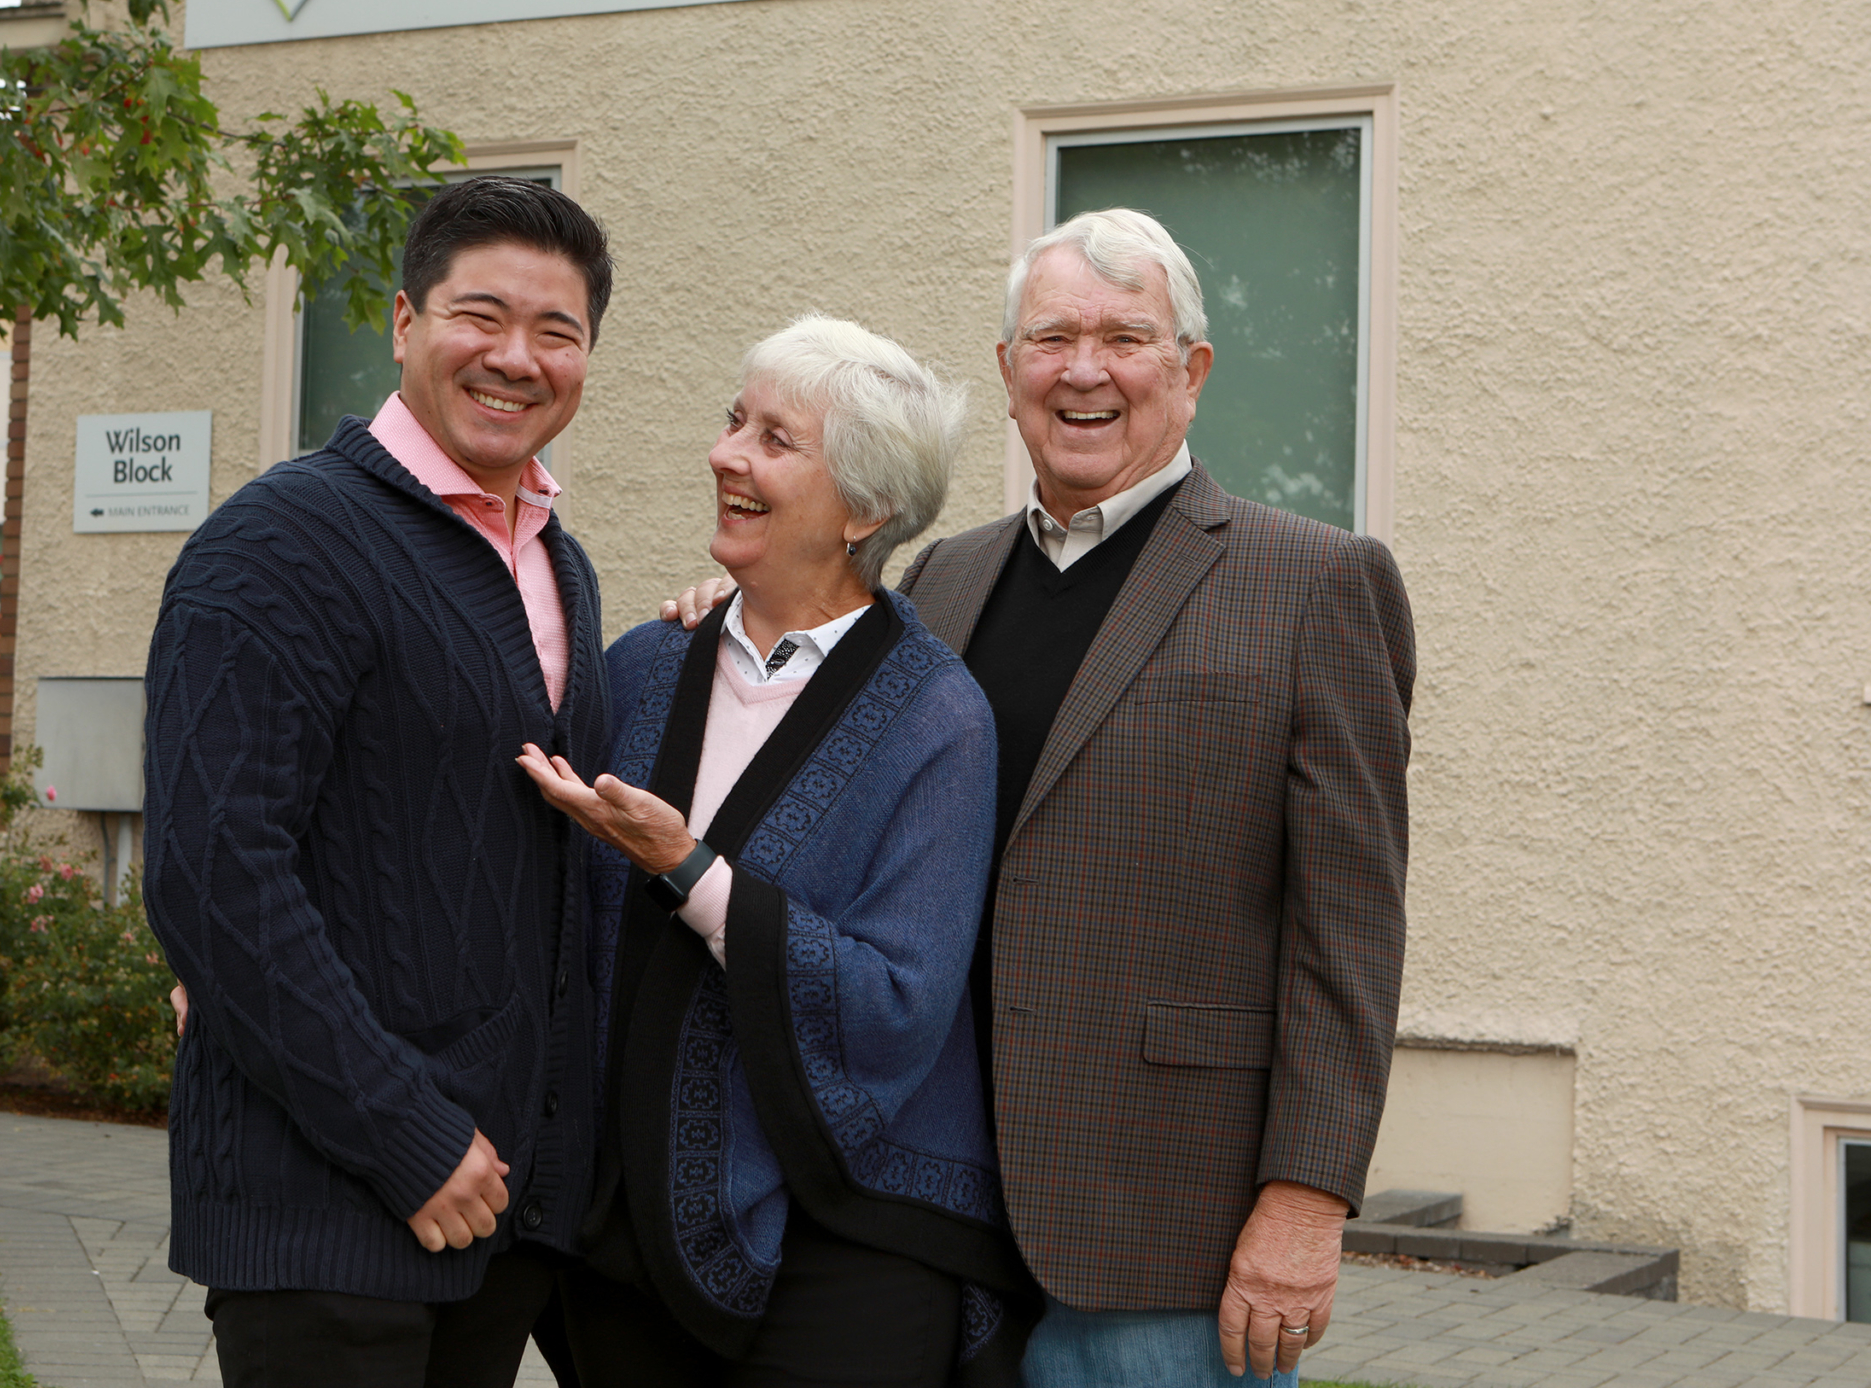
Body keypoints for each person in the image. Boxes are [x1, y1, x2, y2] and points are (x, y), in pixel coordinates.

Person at [669, 210, 1413, 1387]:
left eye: (1125, 338)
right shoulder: (941, 578)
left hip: (1161, 1232)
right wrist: (715, 628)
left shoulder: (1313, 583)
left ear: (1191, 370)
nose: (1083, 370)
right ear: (1011, 371)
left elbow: (1349, 935)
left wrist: (1306, 1201)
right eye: (1052, 337)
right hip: (933, 1208)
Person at [141, 175, 614, 1388]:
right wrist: (404, 1137)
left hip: (492, 1217)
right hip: (329, 1213)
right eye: (480, 315)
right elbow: (211, 879)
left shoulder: (560, 565)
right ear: (403, 323)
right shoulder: (281, 542)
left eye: (555, 332)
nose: (516, 357)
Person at [518, 315, 1034, 1387]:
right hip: (626, 1226)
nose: (725, 455)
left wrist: (693, 873)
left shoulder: (937, 717)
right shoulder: (646, 666)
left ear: (865, 508)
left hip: (855, 1236)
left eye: (773, 439)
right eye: (732, 421)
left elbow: (900, 1004)